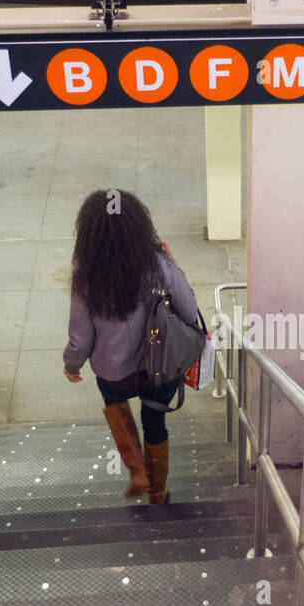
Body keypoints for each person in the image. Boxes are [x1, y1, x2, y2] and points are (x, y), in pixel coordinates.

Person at [62, 189, 199, 504]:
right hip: (160, 365)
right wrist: (173, 265)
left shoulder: (86, 278)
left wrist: (72, 365)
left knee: (118, 410)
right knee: (155, 420)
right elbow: (189, 311)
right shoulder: (157, 263)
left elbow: (81, 337)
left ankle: (136, 470)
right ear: (139, 225)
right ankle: (157, 491)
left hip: (114, 372)